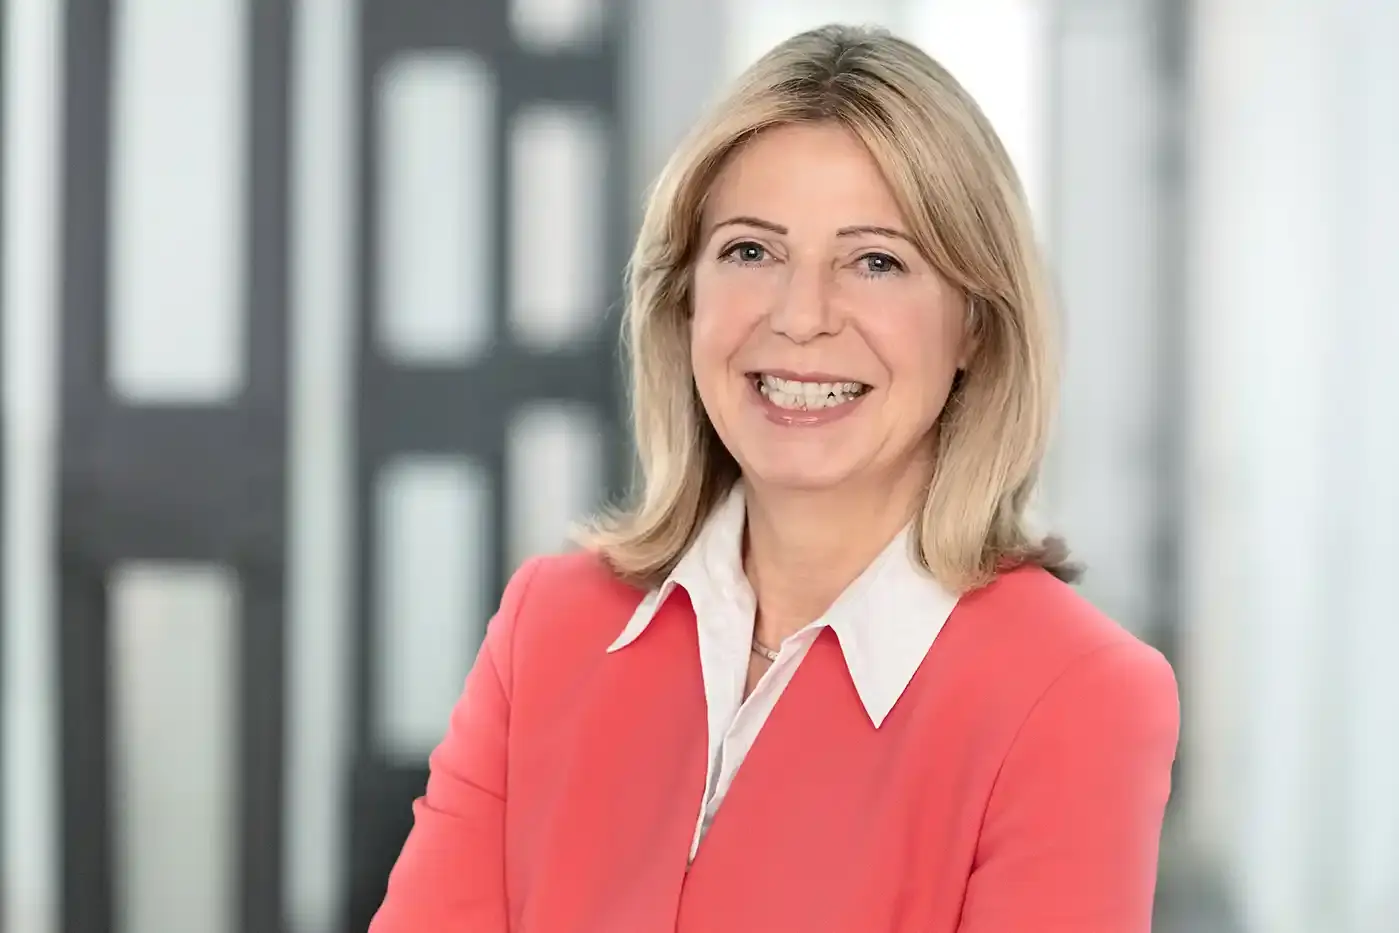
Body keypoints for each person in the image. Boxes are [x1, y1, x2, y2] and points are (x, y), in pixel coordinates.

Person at [369, 22, 1178, 933]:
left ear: (974, 328)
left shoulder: (1076, 697)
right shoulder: (548, 628)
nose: (800, 316)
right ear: (684, 302)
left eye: (875, 260)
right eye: (751, 251)